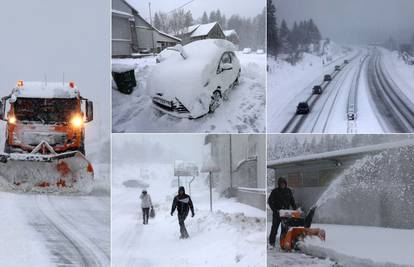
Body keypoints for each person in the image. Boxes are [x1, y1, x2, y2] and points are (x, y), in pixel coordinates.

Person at [267, 177, 297, 247]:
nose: (283, 185)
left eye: (284, 183)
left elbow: (292, 201)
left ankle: (283, 243)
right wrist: (275, 210)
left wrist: (295, 209)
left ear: (285, 184)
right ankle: (271, 243)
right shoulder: (275, 191)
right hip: (277, 214)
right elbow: (270, 201)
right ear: (279, 184)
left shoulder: (288, 191)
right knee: (274, 228)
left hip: (285, 213)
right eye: (281, 184)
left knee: (284, 230)